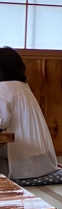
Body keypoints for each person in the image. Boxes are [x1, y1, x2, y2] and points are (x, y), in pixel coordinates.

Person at [0, 47, 58, 180]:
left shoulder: (3, 87)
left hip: (22, 164)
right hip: (42, 161)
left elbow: (1, 121)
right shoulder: (22, 86)